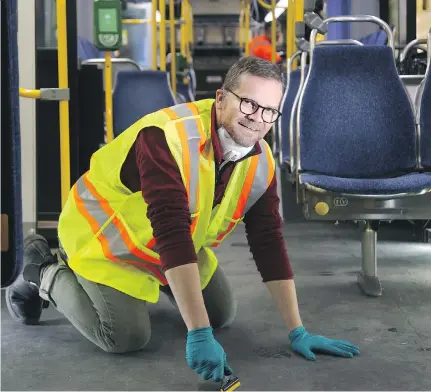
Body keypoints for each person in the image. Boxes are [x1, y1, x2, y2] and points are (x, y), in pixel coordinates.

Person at [6, 56, 359, 383]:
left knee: (221, 313)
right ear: (221, 99)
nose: (258, 118)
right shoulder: (166, 138)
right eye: (249, 103)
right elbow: (171, 230)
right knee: (126, 336)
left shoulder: (260, 161)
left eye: (270, 111)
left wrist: (296, 329)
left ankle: (162, 285)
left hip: (164, 248)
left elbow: (268, 240)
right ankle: (43, 268)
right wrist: (198, 333)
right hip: (103, 240)